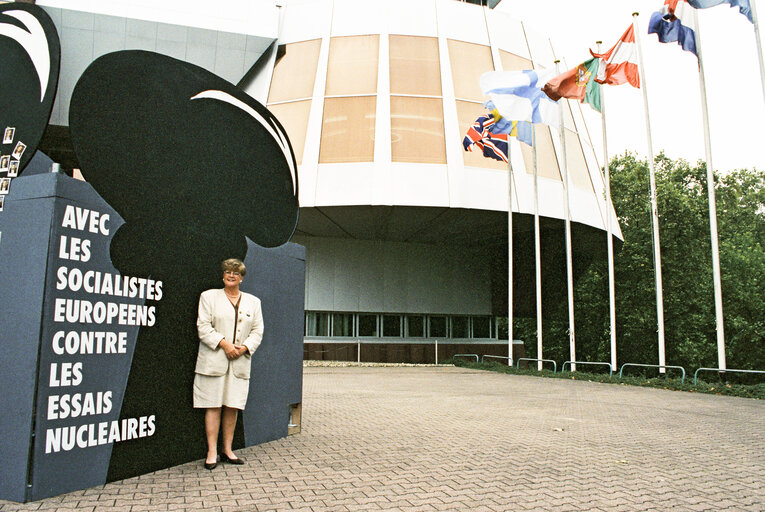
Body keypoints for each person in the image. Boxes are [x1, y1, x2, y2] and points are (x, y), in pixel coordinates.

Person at [194, 258, 263, 470]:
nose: (230, 275)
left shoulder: (254, 302)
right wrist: (225, 345)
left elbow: (257, 331)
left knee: (232, 406)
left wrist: (243, 348)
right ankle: (212, 452)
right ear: (222, 275)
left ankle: (228, 450)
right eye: (227, 272)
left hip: (239, 363)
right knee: (213, 405)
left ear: (242, 278)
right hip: (214, 361)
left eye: (235, 273)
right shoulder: (208, 297)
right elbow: (203, 327)